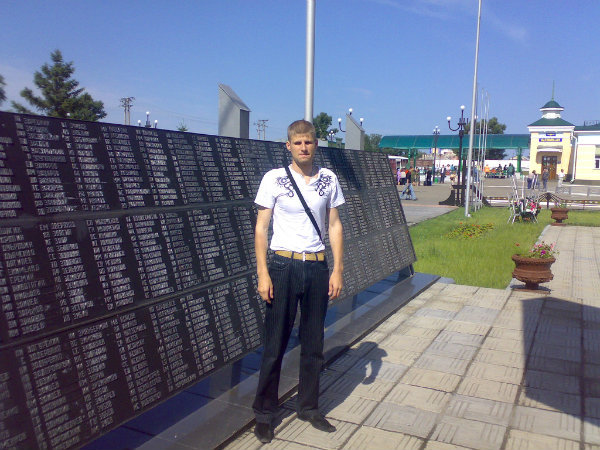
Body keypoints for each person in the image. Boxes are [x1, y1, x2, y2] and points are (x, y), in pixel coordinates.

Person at [252, 120, 345, 443]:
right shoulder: (273, 179)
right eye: (298, 142)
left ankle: (308, 407)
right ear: (288, 146)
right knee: (275, 343)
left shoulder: (328, 179)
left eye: (309, 142)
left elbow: (334, 225)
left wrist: (337, 269)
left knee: (314, 344)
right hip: (283, 266)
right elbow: (261, 228)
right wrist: (263, 273)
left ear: (316, 145)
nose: (304, 147)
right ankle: (265, 413)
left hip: (317, 267)